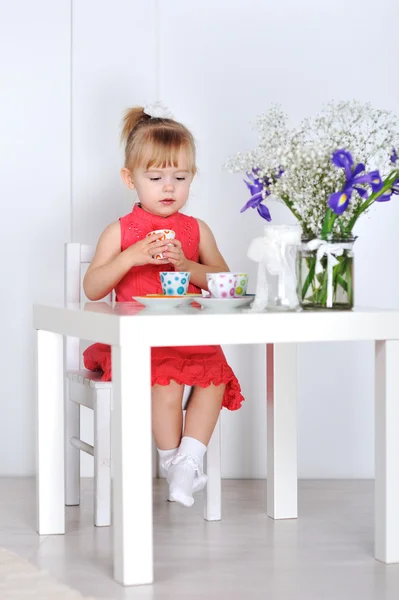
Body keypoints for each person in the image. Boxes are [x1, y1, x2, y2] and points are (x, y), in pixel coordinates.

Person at [83, 102, 244, 507]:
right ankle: (173, 461)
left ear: (193, 178)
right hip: (138, 341)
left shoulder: (195, 229)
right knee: (168, 383)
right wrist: (130, 258)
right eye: (155, 177)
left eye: (180, 177)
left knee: (215, 379)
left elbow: (222, 281)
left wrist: (187, 264)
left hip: (189, 337)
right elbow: (92, 287)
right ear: (130, 179)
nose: (168, 187)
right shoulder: (120, 231)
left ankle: (187, 464)